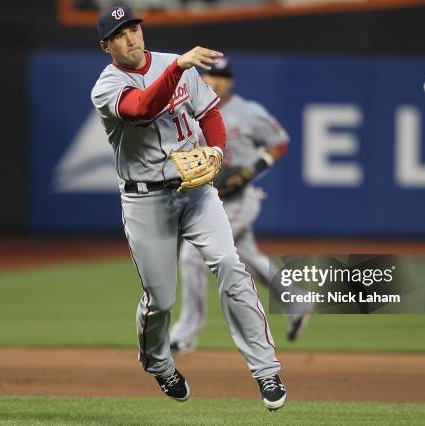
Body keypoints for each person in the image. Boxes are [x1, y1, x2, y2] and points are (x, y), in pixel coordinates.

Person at [90, 4, 286, 411]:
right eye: (121, 34)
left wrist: (215, 149)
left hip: (196, 194)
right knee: (160, 301)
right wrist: (178, 67)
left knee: (230, 265)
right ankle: (158, 363)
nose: (132, 37)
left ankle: (265, 368)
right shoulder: (107, 86)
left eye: (135, 28)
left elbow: (210, 112)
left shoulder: (174, 66)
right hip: (145, 200)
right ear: (106, 45)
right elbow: (141, 108)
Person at [169, 59, 310, 354]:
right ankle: (295, 298)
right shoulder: (188, 108)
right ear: (203, 77)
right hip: (205, 196)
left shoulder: (248, 112)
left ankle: (185, 334)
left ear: (230, 81)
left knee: (193, 254)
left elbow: (279, 142)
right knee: (246, 256)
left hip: (238, 198)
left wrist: (253, 169)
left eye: (223, 75)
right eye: (211, 74)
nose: (216, 80)